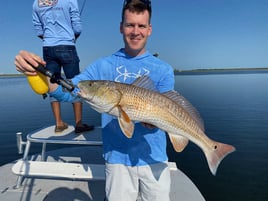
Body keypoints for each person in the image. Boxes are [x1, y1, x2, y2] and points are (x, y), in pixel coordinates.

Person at [15, 0, 175, 200]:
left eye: (141, 26)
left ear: (149, 29)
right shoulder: (102, 66)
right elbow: (70, 90)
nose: (135, 31)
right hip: (117, 159)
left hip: (154, 157)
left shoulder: (164, 69)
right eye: (129, 25)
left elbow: (167, 111)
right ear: (121, 27)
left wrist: (151, 122)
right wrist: (38, 72)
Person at [32, 0, 93, 133]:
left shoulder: (37, 3)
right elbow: (77, 27)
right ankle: (79, 124)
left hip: (48, 47)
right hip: (67, 46)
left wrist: (50, 39)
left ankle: (59, 123)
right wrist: (71, 37)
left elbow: (38, 30)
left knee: (52, 84)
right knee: (75, 84)